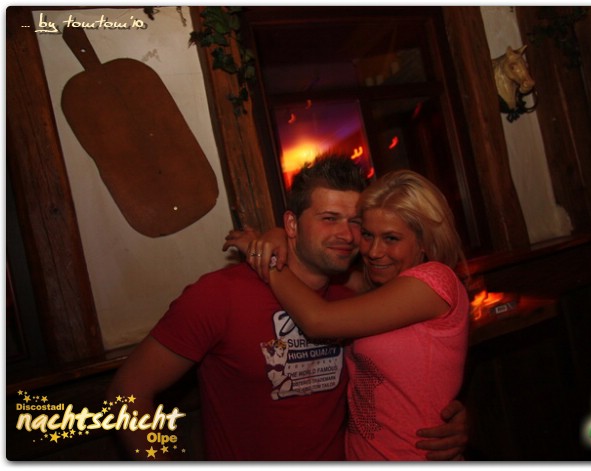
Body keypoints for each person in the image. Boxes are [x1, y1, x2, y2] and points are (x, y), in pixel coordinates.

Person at [108, 154, 467, 461]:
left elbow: (411, 369)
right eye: (329, 218)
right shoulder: (220, 295)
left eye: (356, 223)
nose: (347, 235)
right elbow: (126, 393)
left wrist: (451, 415)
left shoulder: (357, 293)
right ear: (292, 224)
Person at [241, 169, 470, 460]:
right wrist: (279, 235)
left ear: (424, 241)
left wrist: (267, 259)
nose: (373, 251)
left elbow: (318, 320)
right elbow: (320, 263)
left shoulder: (434, 281)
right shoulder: (378, 285)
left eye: (391, 238)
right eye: (367, 235)